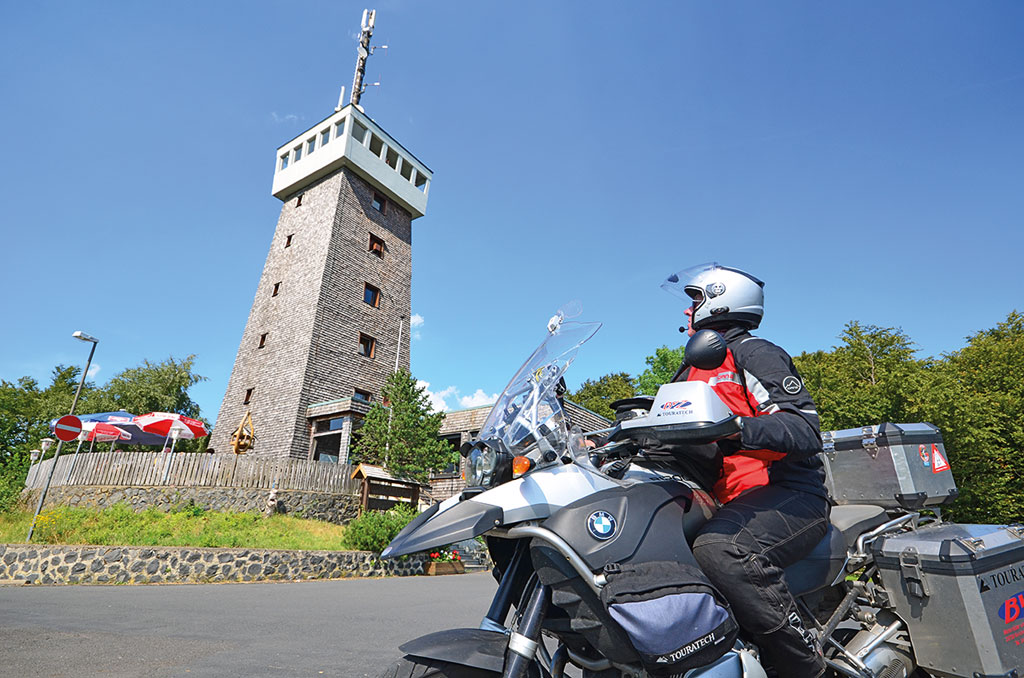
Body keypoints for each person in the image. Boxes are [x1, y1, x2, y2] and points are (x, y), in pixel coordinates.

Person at [662, 262, 830, 677]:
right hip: (723, 500)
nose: (686, 311)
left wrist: (735, 427)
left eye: (694, 301)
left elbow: (803, 429)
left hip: (791, 492)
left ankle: (805, 667)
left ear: (721, 301)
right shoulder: (689, 370)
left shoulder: (753, 353)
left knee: (723, 549)